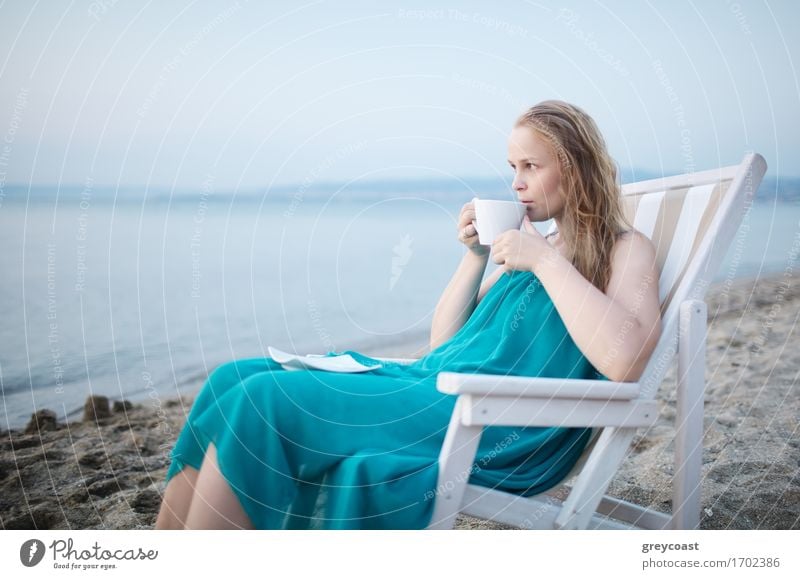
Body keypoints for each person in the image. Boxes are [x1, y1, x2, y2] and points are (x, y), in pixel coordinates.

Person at [154, 100, 662, 530]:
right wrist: (476, 256)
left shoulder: (622, 249)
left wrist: (545, 262)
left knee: (263, 401)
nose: (516, 183)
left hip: (495, 420)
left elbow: (627, 361)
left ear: (574, 168)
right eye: (513, 168)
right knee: (231, 379)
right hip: (436, 385)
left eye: (531, 166)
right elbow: (446, 341)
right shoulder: (535, 251)